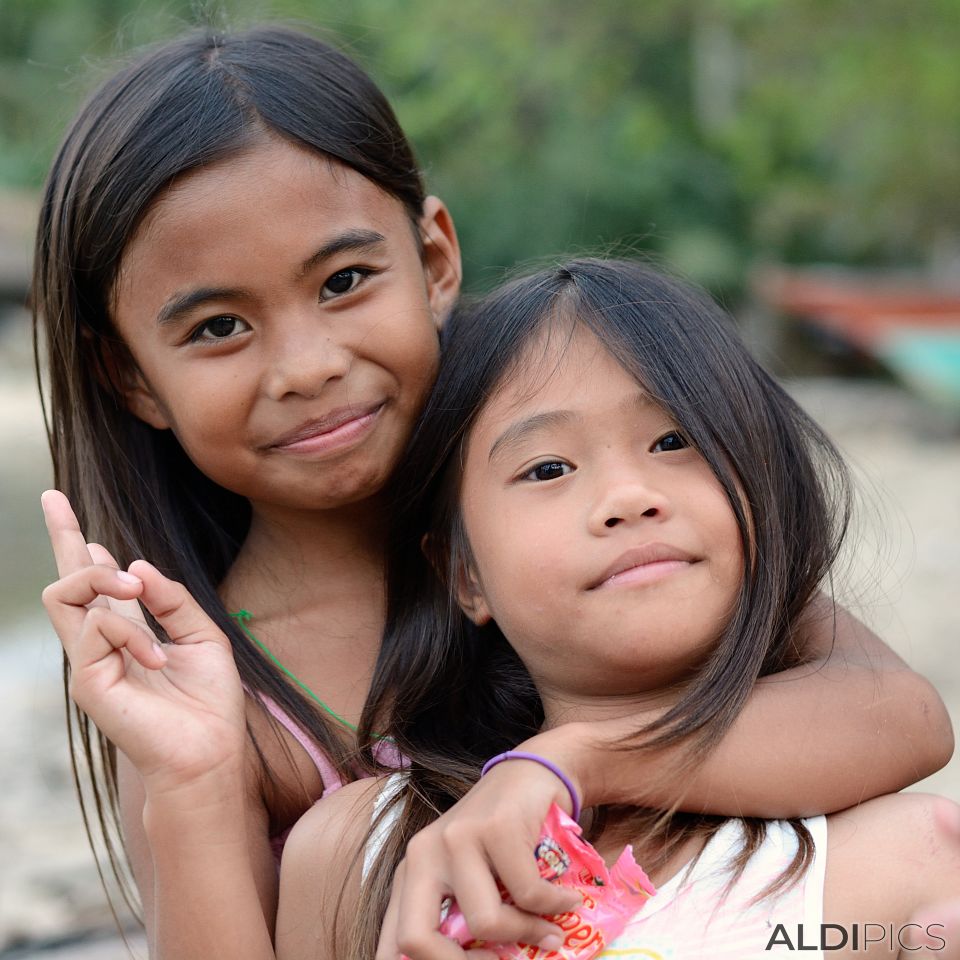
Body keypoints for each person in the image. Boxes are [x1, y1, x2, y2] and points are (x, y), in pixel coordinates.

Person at [35, 24, 951, 959]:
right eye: (220, 327)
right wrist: (192, 784)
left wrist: (569, 763)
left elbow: (899, 715)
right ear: (132, 377)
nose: (306, 367)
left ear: (434, 259)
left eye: (345, 280)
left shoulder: (586, 511)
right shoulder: (211, 698)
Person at [273, 260, 960, 960]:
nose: (628, 495)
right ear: (463, 573)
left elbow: (910, 715)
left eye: (673, 441)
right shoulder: (357, 856)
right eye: (547, 469)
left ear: (767, 495)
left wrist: (568, 761)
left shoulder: (899, 871)